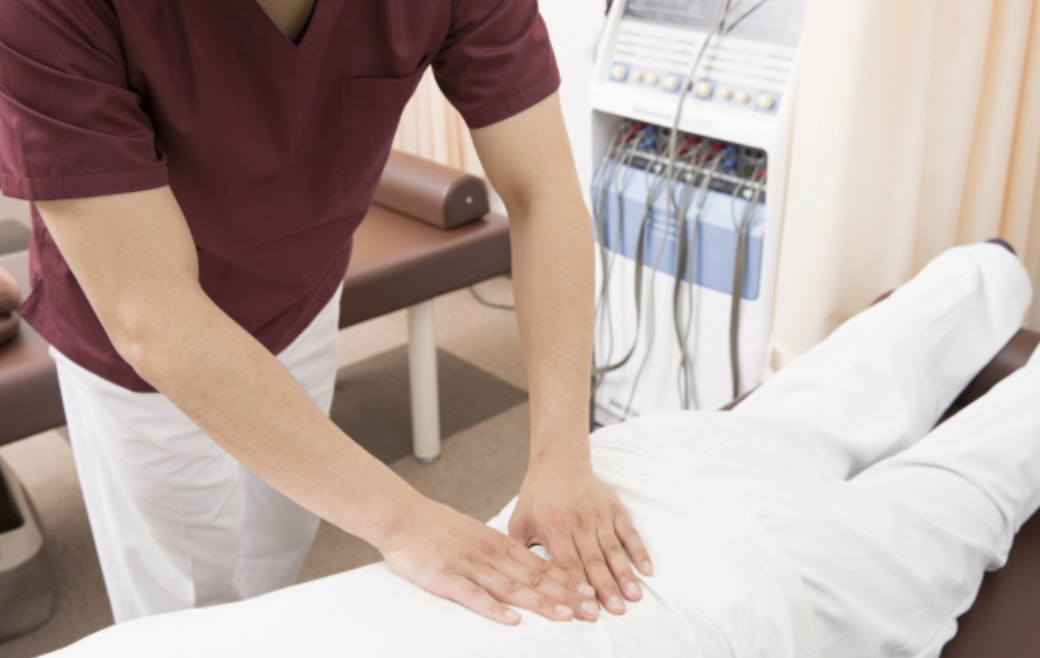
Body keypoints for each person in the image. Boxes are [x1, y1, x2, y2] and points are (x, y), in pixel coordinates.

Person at [40, 242, 1040, 658]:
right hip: (633, 477)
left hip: (769, 584)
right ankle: (984, 272)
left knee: (969, 474)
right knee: (811, 406)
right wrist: (560, 457)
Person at [0, 0, 647, 626]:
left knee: (279, 545)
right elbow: (155, 317)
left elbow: (542, 194)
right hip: (139, 353)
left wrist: (563, 457)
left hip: (300, 296)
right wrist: (406, 522)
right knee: (188, 604)